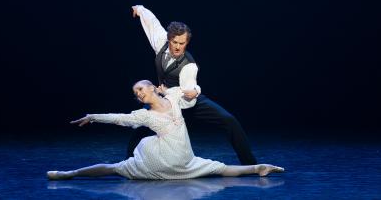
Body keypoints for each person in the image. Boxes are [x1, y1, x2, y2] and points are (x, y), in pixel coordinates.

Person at [47, 80, 283, 180]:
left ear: (152, 87)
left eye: (140, 88)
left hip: (176, 159)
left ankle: (69, 174)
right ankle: (255, 168)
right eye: (135, 93)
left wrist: (196, 91)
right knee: (217, 169)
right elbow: (119, 118)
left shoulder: (171, 95)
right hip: (177, 159)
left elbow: (192, 88)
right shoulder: (147, 112)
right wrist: (94, 117)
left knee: (116, 168)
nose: (138, 93)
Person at [127, 5, 257, 165]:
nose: (177, 47)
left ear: (187, 42)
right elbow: (152, 24)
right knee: (141, 123)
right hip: (167, 102)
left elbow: (190, 85)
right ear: (168, 39)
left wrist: (195, 91)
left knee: (229, 120)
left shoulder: (189, 64)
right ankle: (130, 164)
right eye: (174, 42)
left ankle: (251, 165)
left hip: (188, 102)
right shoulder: (161, 42)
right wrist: (140, 9)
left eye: (182, 43)